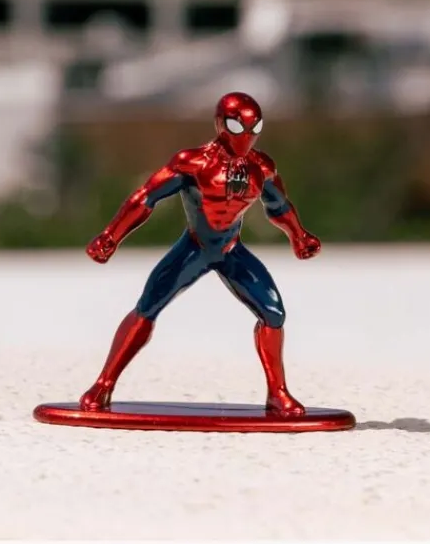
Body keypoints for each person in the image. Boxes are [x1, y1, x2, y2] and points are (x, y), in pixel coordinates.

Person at [80, 91, 320, 415]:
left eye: (254, 127)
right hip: (195, 248)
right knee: (147, 307)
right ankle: (104, 383)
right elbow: (145, 197)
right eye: (238, 127)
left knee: (274, 314)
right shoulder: (193, 163)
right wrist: (111, 235)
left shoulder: (260, 167)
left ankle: (277, 393)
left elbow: (278, 206)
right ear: (221, 124)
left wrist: (298, 235)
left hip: (230, 249)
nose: (246, 136)